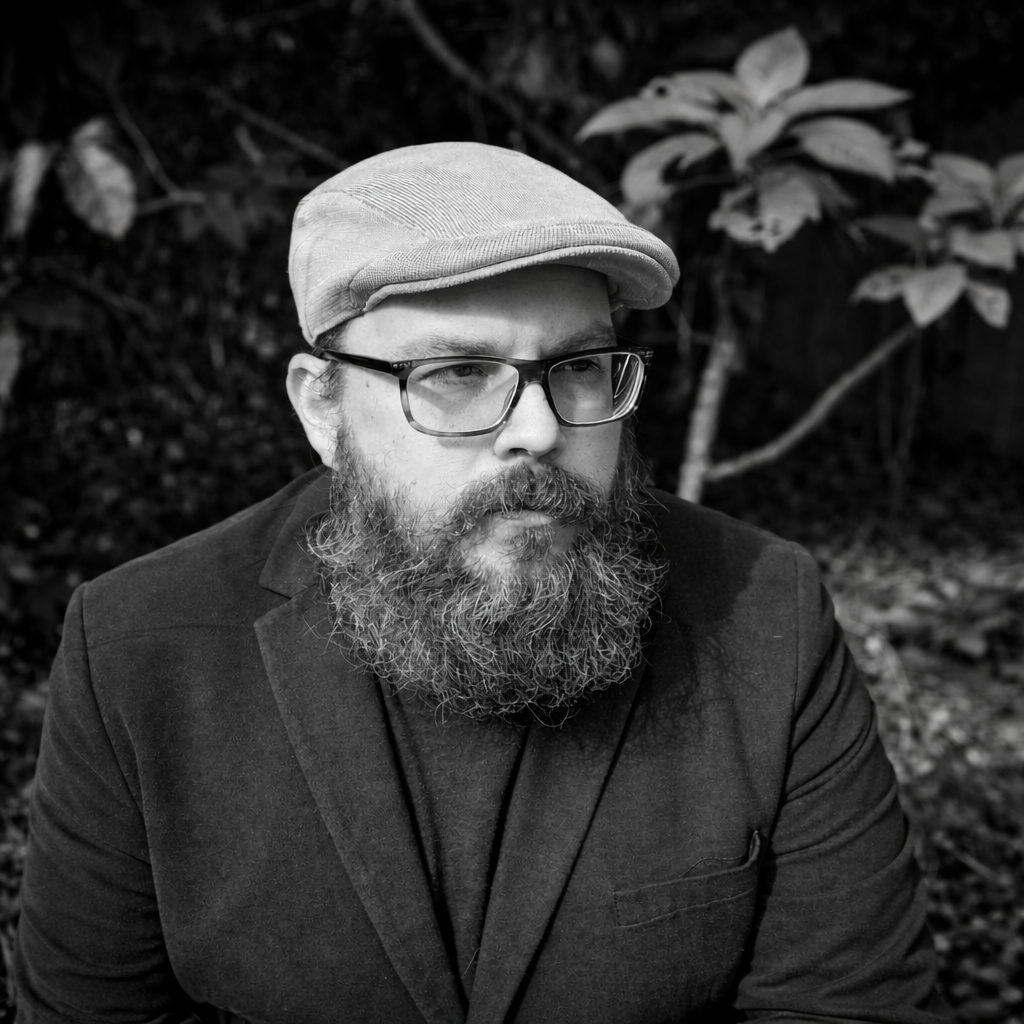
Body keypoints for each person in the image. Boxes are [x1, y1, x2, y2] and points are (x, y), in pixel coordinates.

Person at [13, 142, 949, 1024]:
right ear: (322, 408)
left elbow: (847, 1006)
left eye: (577, 367)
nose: (539, 430)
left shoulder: (762, 612)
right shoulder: (140, 647)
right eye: (458, 372)